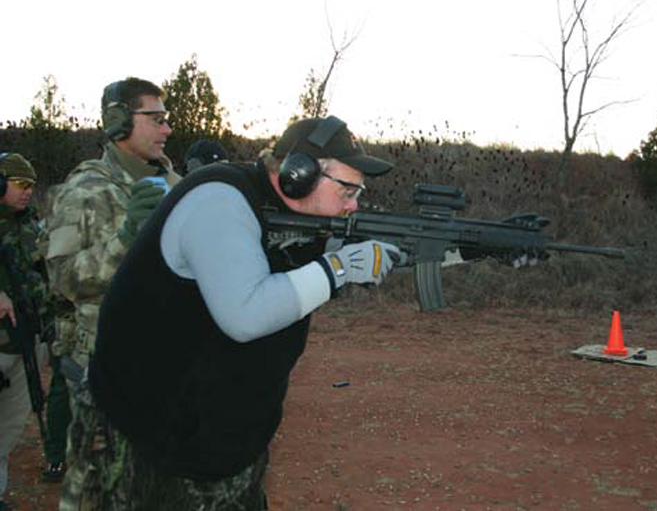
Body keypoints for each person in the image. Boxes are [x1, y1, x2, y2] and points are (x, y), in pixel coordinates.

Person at [74, 115, 404, 510]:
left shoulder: (299, 216)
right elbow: (244, 315)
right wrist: (338, 269)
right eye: (348, 189)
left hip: (223, 445)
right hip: (143, 439)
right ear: (298, 175)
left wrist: (460, 249)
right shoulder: (219, 200)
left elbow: (359, 254)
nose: (354, 205)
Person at [41, 77, 180, 509]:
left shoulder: (178, 186)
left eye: (166, 119)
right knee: (95, 493)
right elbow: (63, 280)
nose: (166, 129)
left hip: (169, 370)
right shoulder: (86, 189)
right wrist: (125, 238)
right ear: (119, 121)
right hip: (104, 373)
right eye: (155, 119)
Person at [0, 153, 49, 511]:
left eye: (32, 185)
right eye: (21, 184)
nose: (28, 192)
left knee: (7, 433)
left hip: (27, 344)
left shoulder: (33, 225)